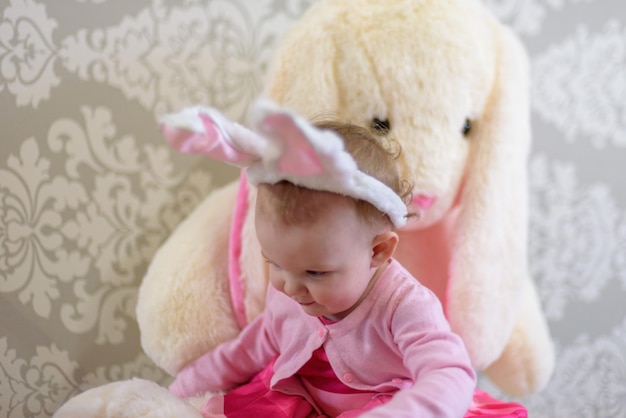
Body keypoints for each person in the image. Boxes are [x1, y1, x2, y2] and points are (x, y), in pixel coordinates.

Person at [162, 102, 477, 417]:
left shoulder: (404, 306)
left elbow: (449, 373)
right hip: (298, 402)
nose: (291, 287)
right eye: (275, 263)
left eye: (315, 272)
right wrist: (175, 393)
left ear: (377, 251)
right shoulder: (287, 296)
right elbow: (244, 352)